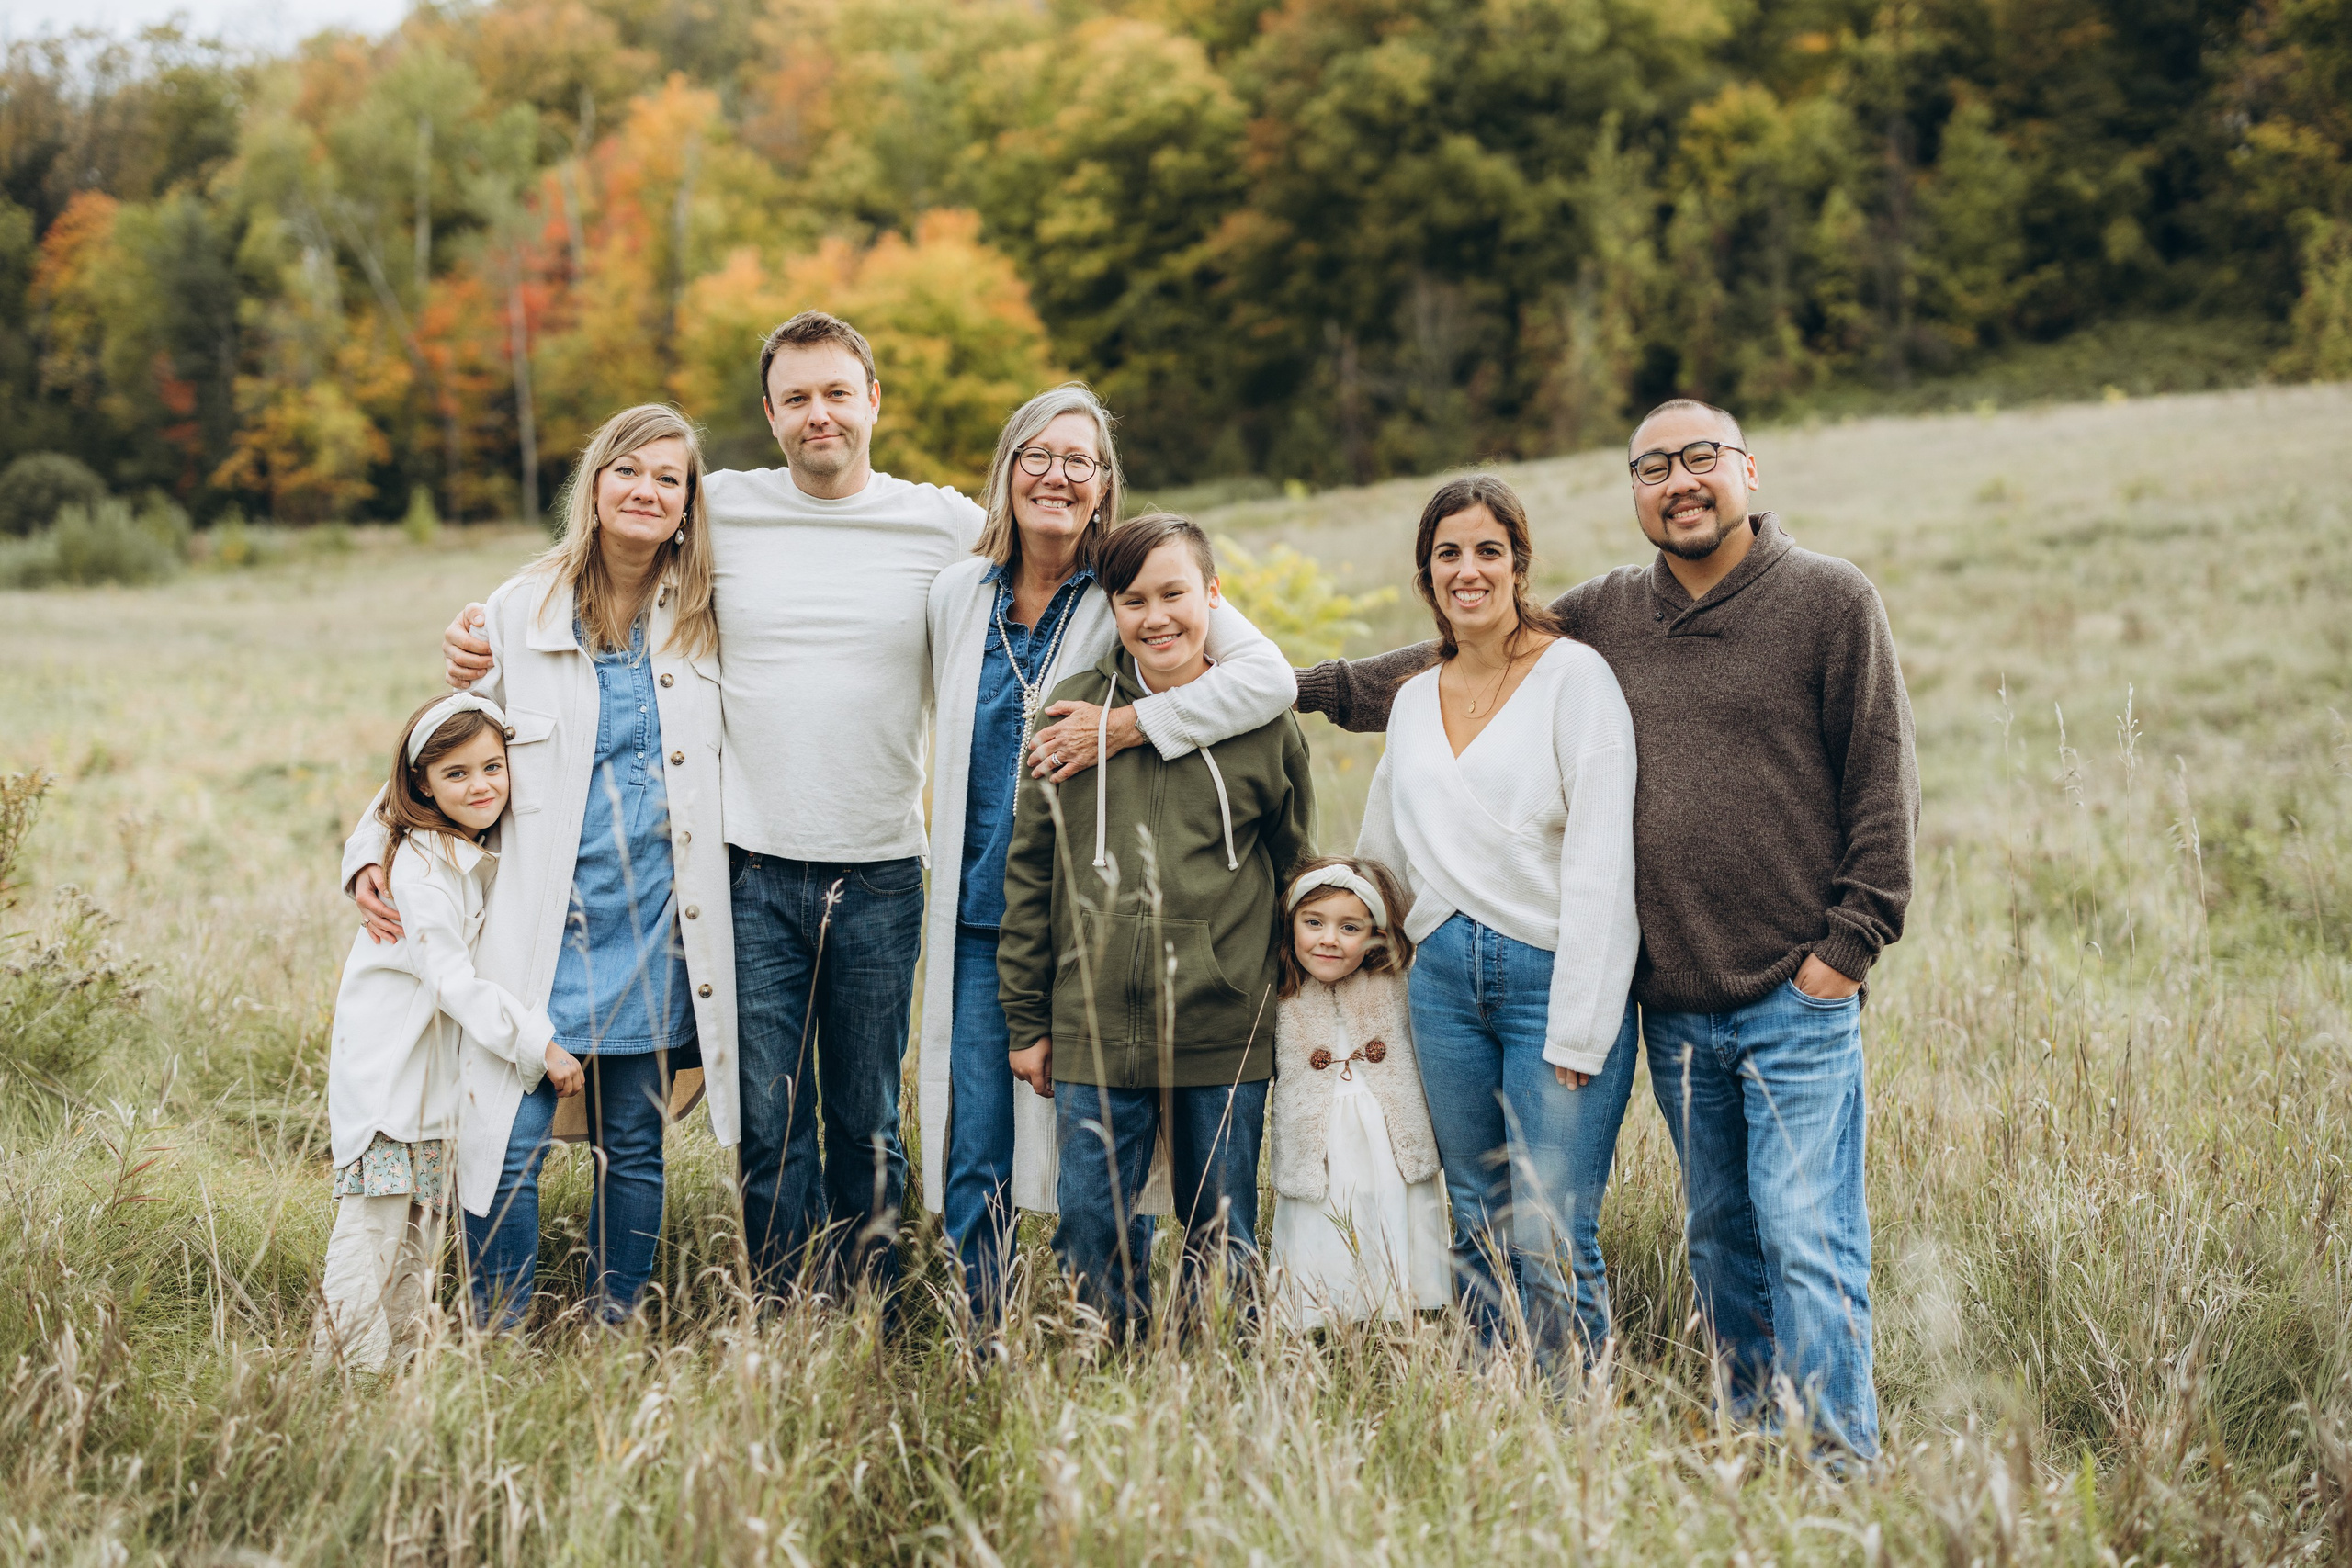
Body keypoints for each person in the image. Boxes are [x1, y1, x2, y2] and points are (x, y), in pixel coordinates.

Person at [1298, 400, 1918, 1457]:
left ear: (1747, 472)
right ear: (1632, 490)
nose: (1678, 481)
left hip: (1793, 996)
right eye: (1652, 467)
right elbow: (1465, 654)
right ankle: (1751, 1438)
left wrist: (1843, 953)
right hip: (1674, 999)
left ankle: (1837, 1471)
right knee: (1720, 1237)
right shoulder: (1610, 612)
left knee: (1807, 1240)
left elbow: (1882, 786)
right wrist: (1291, 688)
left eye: (1700, 459)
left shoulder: (1828, 600)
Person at [435, 313, 971, 1302]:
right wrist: (482, 637)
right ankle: (777, 1311)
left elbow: (1069, 555)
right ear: (769, 415)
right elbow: (592, 553)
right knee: (764, 1122)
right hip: (749, 874)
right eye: (797, 398)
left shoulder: (940, 521)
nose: (820, 414)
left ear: (873, 401)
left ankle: (869, 1313)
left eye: (837, 393)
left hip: (886, 870)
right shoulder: (718, 507)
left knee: (864, 1118)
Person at [345, 404, 737, 1328]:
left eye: (668, 479)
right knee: (507, 1140)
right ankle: (499, 1327)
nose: (646, 491)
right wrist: (371, 845)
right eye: (627, 471)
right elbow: (450, 738)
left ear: (688, 504)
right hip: (540, 925)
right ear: (594, 485)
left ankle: (615, 1324)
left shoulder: (712, 611)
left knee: (635, 1142)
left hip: (654, 924)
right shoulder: (520, 608)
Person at [920, 383, 1295, 1329]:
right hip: (978, 911)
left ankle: (1166, 1338)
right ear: (1004, 472)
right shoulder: (955, 595)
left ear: (1105, 485)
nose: (1055, 475)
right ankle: (982, 1330)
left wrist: (1128, 725)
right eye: (1035, 456)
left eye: (1078, 460)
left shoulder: (1129, 582)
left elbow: (1266, 677)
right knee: (976, 1146)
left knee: (1132, 1169)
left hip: (1102, 928)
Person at [997, 514, 1314, 1336]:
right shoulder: (1066, 721)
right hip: (1094, 1024)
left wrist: (1279, 996)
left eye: (1175, 593)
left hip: (1223, 1022)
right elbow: (1031, 879)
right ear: (1112, 609)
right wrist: (1030, 1020)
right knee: (1092, 1229)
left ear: (1213, 595)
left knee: (1224, 1228)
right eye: (1132, 599)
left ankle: (1217, 1380)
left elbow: (1294, 866)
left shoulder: (1262, 723)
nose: (1156, 616)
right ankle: (1106, 1380)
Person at [1351, 476, 1640, 1365]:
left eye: (1487, 550)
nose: (1467, 570)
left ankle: (1574, 1430)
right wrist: (1335, 933)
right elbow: (1382, 852)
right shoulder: (1410, 698)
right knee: (1474, 1219)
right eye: (1448, 553)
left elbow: (1601, 861)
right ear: (1425, 575)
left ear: (1518, 564)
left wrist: (1583, 1026)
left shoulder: (1572, 678)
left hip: (1551, 978)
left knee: (1548, 1230)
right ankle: (1492, 1420)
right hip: (1439, 984)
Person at [318, 693, 563, 1368]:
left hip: (429, 1092)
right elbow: (452, 980)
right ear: (421, 783)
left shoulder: (463, 852)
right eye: (456, 774)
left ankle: (393, 1375)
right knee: (372, 1234)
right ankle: (342, 1374)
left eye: (493, 766)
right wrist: (534, 1042)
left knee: (416, 1241)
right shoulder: (423, 868)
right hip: (390, 1088)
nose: (481, 785)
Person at [1264, 855, 1450, 1331]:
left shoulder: (1395, 982)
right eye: (1314, 923)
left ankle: (1396, 1315)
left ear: (1374, 937)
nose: (1329, 939)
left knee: (1388, 1208)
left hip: (1388, 1133)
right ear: (1292, 926)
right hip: (1319, 1140)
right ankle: (1322, 1316)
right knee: (1323, 1218)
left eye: (1349, 927)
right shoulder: (1281, 989)